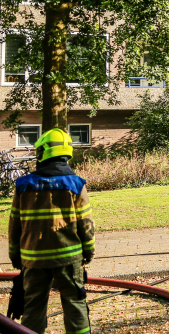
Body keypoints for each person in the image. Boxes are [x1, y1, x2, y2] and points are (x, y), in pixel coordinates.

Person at [8, 128, 95, 334]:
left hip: (33, 258)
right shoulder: (76, 184)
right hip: (68, 258)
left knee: (33, 308)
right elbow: (86, 224)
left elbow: (14, 225)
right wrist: (88, 252)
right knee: (75, 304)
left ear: (43, 153)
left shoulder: (23, 185)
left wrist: (14, 256)